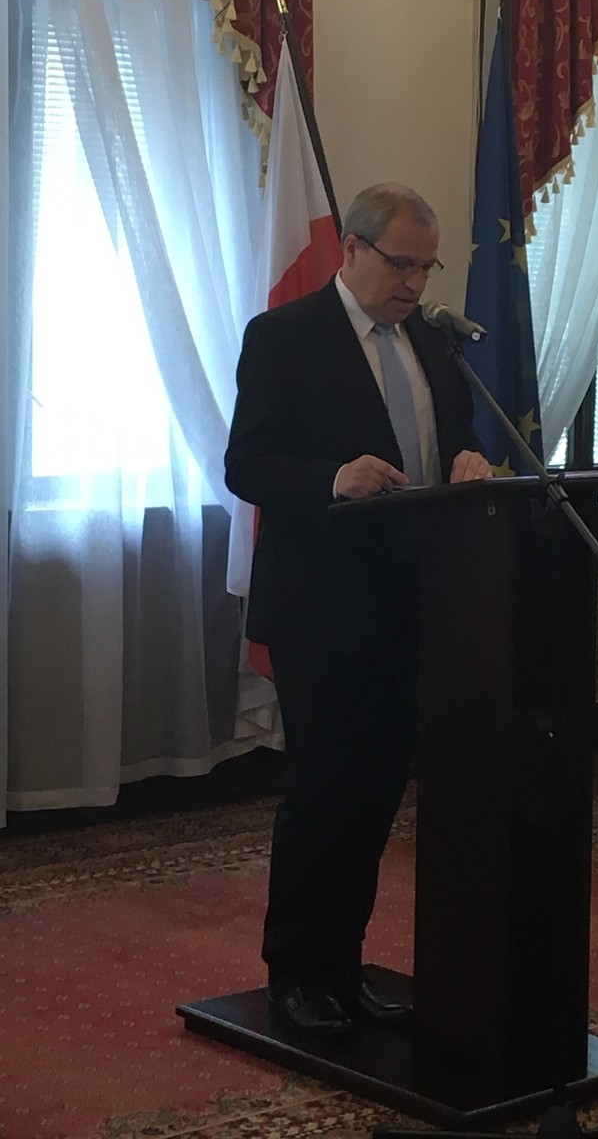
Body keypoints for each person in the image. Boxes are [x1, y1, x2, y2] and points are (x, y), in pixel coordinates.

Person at [224, 182, 491, 1036]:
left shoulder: (434, 345)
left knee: (376, 794)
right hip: (323, 609)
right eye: (401, 263)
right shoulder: (285, 336)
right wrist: (332, 479)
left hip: (418, 604)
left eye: (427, 267)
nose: (414, 283)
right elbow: (246, 463)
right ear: (353, 249)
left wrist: (470, 461)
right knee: (324, 791)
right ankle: (295, 972)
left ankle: (345, 964)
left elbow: (453, 439)